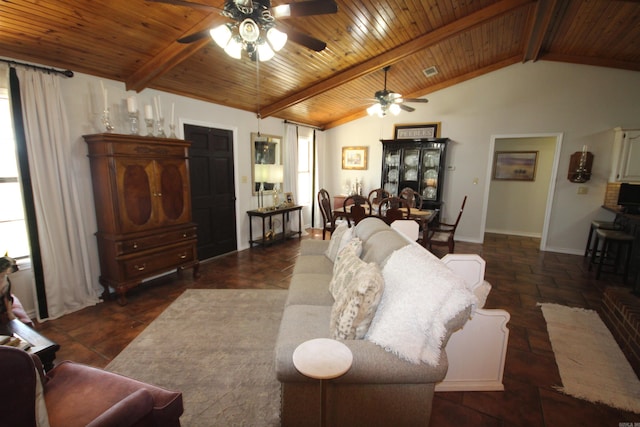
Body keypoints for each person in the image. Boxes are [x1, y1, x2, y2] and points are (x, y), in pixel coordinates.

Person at [1, 256, 19, 324]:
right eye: (8, 265)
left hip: (3, 304)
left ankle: (9, 314)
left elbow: (7, 296)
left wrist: (10, 313)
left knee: (10, 298)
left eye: (13, 263)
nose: (13, 266)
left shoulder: (6, 279)